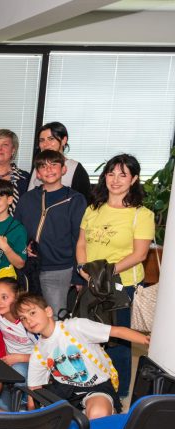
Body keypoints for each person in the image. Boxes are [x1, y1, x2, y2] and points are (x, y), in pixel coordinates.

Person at [76, 154, 154, 398]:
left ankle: (118, 395)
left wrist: (105, 275)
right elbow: (81, 244)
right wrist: (83, 269)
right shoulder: (93, 209)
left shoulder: (142, 214)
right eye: (111, 173)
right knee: (88, 335)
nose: (116, 180)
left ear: (134, 179)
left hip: (123, 285)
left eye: (123, 174)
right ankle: (91, 387)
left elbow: (140, 254)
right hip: (92, 281)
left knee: (117, 340)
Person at [15, 293, 150, 419]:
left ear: (48, 311)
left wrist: (147, 340)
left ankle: (103, 411)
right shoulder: (38, 352)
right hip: (65, 391)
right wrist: (33, 418)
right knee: (48, 419)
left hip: (96, 386)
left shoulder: (75, 326)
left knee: (98, 413)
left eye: (32, 313)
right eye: (23, 318)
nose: (29, 321)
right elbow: (34, 390)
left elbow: (117, 331)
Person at [15, 149, 86, 317]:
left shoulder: (75, 199)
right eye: (43, 166)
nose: (48, 169)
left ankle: (57, 344)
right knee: (27, 315)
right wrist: (25, 247)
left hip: (59, 269)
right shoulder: (27, 198)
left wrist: (78, 276)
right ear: (38, 174)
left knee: (54, 316)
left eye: (54, 164)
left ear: (63, 170)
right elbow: (17, 230)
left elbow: (80, 239)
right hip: (30, 268)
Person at [0, 278, 37, 412]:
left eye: (4, 297)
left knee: (19, 370)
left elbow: (47, 355)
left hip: (32, 362)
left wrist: (19, 358)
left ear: (16, 297)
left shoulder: (27, 322)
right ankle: (14, 400)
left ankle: (25, 403)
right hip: (9, 362)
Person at [28, 122, 91, 201]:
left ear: (64, 140)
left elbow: (83, 202)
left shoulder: (75, 168)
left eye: (51, 139)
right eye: (42, 140)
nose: (46, 144)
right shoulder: (37, 166)